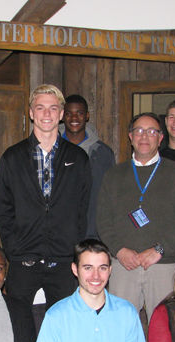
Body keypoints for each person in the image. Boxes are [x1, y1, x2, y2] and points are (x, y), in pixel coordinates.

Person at [0, 84, 91, 330]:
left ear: (61, 114)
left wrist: (75, 248)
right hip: (23, 262)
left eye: (53, 108)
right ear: (31, 112)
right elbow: (3, 209)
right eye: (40, 108)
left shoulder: (78, 158)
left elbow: (85, 208)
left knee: (66, 330)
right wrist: (14, 248)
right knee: (20, 330)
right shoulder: (12, 157)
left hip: (64, 263)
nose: (46, 114)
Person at [97, 112, 175, 321]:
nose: (144, 137)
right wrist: (119, 250)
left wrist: (159, 250)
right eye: (139, 131)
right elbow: (103, 220)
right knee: (120, 330)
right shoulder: (113, 175)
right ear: (130, 137)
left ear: (160, 138)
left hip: (164, 265)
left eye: (151, 131)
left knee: (166, 332)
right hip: (123, 265)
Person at [60, 94, 116, 238]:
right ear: (62, 116)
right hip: (57, 233)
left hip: (91, 232)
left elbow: (109, 195)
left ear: (87, 116)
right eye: (69, 114)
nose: (74, 118)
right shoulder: (50, 149)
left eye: (79, 113)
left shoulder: (103, 153)